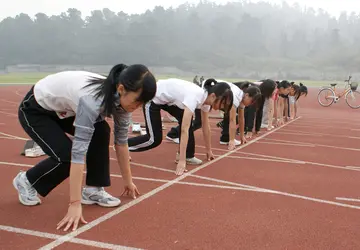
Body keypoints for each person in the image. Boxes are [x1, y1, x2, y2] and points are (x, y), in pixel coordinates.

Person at [13, 64, 157, 232]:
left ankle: (93, 189)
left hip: (65, 110)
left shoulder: (123, 102)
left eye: (142, 103)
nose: (137, 107)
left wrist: (128, 182)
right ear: (121, 88)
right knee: (66, 155)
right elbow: (78, 153)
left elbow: (121, 143)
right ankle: (27, 180)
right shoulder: (91, 101)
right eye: (137, 101)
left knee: (101, 130)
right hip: (36, 110)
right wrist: (74, 204)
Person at [128, 78, 233, 175]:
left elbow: (206, 126)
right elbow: (184, 130)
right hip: (154, 97)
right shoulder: (195, 97)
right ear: (213, 96)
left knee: (187, 121)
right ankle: (123, 146)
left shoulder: (206, 101)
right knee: (154, 139)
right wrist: (181, 162)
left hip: (169, 101)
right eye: (222, 104)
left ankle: (187, 155)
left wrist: (208, 150)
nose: (222, 108)